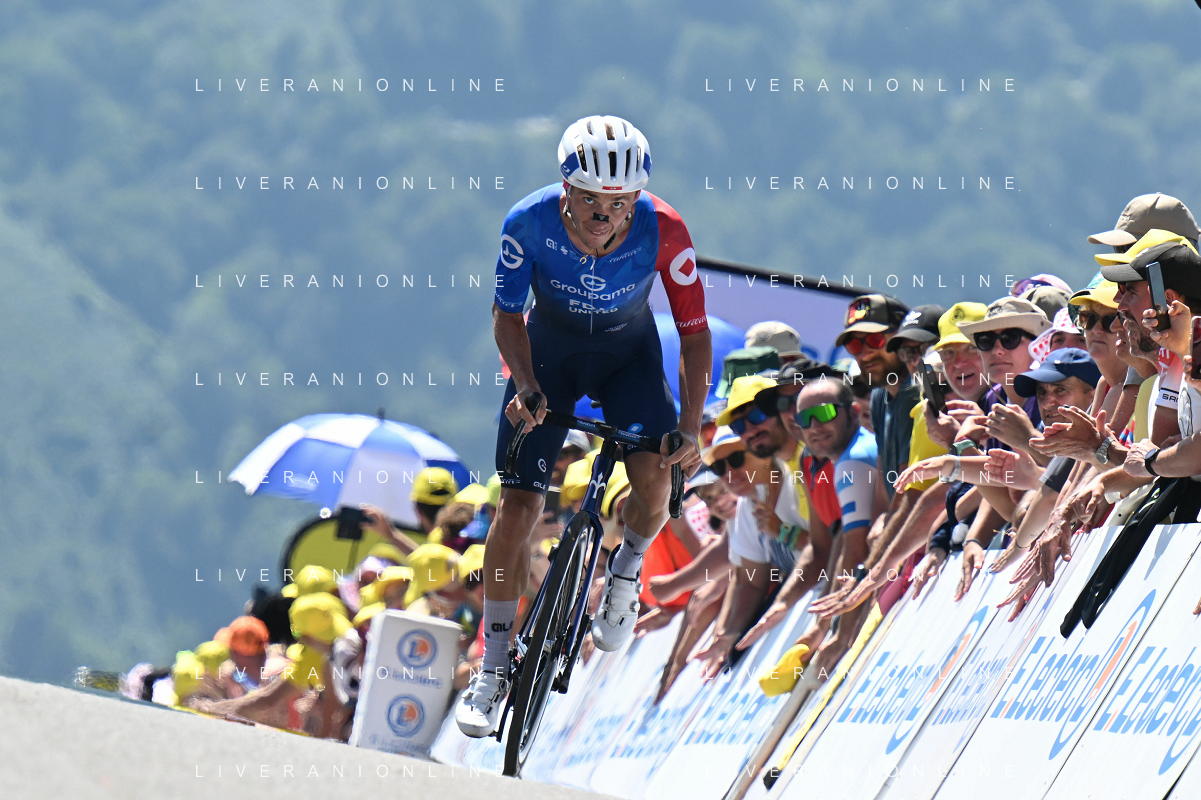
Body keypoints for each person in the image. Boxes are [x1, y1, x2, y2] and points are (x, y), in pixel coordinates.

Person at [456, 114, 712, 736]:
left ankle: (627, 570)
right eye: (592, 199)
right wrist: (525, 384)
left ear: (636, 198)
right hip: (549, 356)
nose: (604, 214)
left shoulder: (665, 228)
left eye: (619, 202)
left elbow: (694, 333)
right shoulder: (528, 222)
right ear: (566, 189)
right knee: (518, 505)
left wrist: (690, 424)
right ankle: (493, 665)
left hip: (629, 357)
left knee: (655, 475)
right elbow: (507, 315)